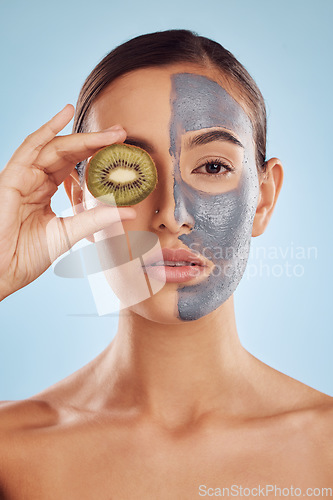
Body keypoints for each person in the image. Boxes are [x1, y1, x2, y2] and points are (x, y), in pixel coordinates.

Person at [0, 30, 332, 498]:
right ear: (79, 199)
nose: (173, 216)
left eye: (213, 166)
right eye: (128, 170)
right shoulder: (10, 452)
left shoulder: (326, 451)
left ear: (264, 199)